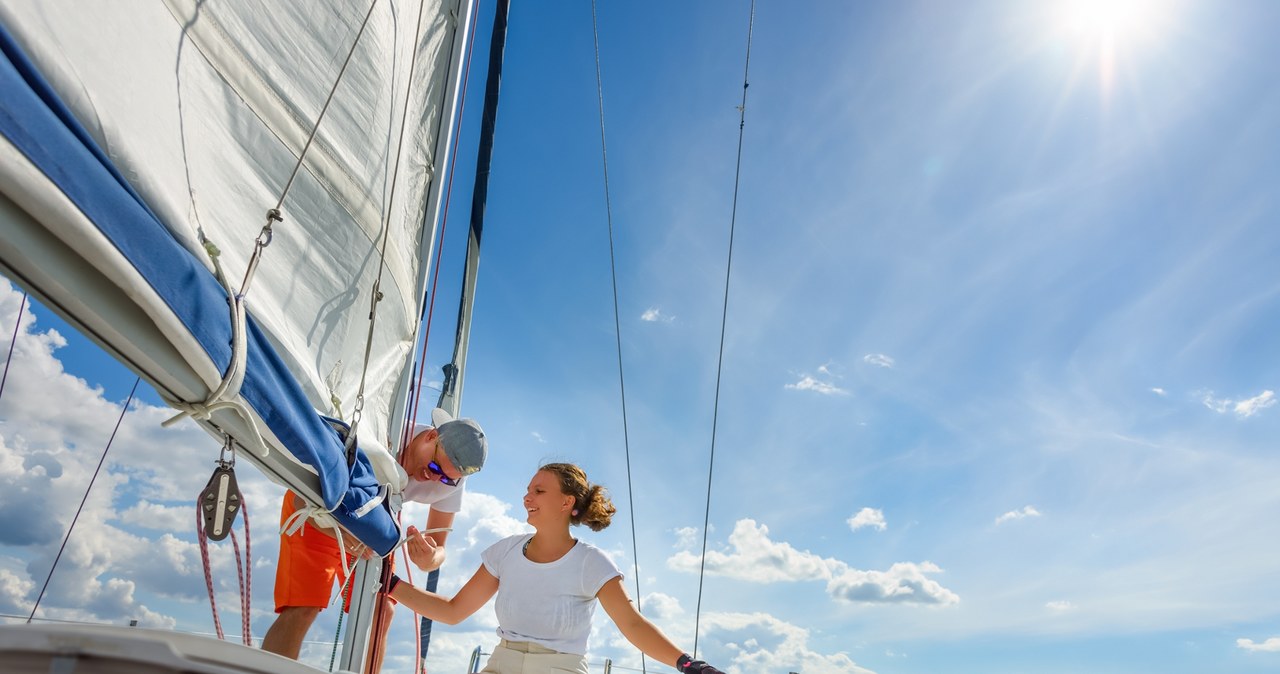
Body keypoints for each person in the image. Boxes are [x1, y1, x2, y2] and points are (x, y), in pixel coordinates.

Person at [384, 462, 725, 674]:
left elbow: (633, 624)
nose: (526, 497)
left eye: (538, 491)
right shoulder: (504, 551)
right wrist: (389, 582)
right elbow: (454, 611)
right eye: (528, 490)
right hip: (500, 665)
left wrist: (687, 664)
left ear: (566, 502)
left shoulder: (591, 563)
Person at [261, 408, 488, 662]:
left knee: (383, 610)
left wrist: (430, 558)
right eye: (435, 466)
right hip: (318, 505)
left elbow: (440, 548)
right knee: (303, 607)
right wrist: (329, 527)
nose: (433, 478)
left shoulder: (452, 481)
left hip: (372, 526)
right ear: (430, 436)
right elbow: (308, 476)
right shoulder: (383, 426)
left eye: (446, 479)